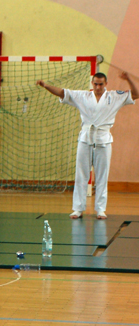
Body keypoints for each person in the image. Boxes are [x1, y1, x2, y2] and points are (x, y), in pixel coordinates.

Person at [37, 71, 137, 219]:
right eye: (95, 84)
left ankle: (100, 209)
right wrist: (45, 85)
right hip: (85, 139)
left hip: (103, 140)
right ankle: (78, 208)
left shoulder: (115, 96)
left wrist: (129, 79)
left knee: (102, 176)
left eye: (101, 84)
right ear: (92, 83)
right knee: (81, 175)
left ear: (106, 84)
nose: (98, 87)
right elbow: (62, 93)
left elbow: (136, 94)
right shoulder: (83, 96)